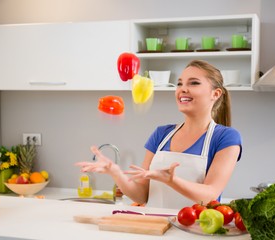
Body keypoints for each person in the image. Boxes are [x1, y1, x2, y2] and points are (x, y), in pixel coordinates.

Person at [76, 60, 242, 209]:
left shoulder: (226, 137)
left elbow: (210, 194)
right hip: (156, 228)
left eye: (194, 83)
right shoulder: (162, 134)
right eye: (179, 83)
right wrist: (116, 172)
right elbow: (141, 194)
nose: (183, 89)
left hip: (196, 231)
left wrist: (172, 181)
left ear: (216, 94)